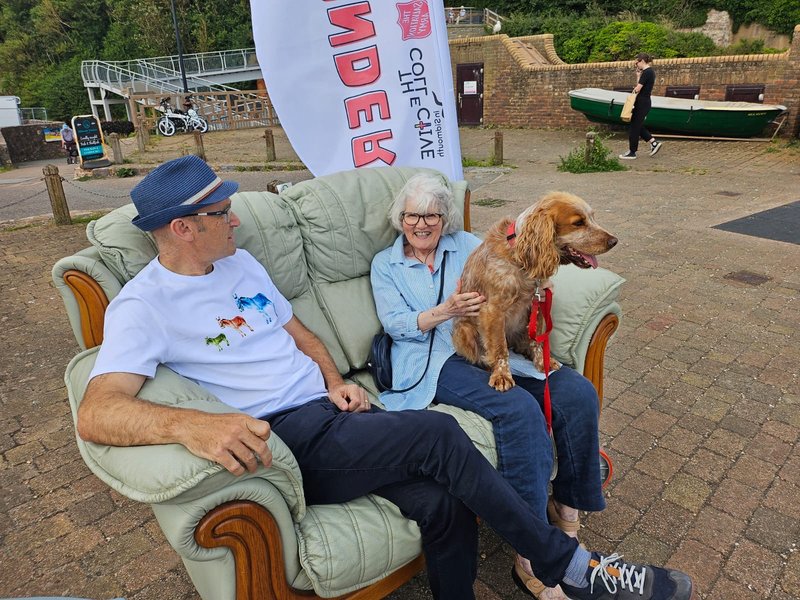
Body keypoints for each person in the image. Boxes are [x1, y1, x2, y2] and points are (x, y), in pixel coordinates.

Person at [78, 155, 695, 600]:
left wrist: (330, 377)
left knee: (444, 500)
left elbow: (302, 334)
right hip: (291, 440)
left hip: (335, 412)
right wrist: (192, 426)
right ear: (183, 227)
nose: (235, 220)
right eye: (222, 212)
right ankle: (573, 567)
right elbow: (97, 410)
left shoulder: (238, 266)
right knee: (437, 436)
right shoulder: (144, 304)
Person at [371, 173, 607, 599]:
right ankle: (532, 551)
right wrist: (442, 312)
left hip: (494, 348)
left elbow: (517, 260)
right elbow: (395, 325)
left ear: (444, 219)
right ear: (399, 219)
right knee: (516, 410)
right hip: (434, 358)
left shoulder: (464, 246)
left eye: (432, 215)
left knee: (576, 392)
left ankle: (568, 511)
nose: (422, 224)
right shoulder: (386, 265)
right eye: (412, 216)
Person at [620, 53, 662, 160]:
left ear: (642, 60)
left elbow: (638, 88)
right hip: (644, 103)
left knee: (634, 128)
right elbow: (642, 85)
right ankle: (653, 143)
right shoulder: (649, 72)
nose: (636, 64)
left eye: (637, 62)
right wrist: (638, 76)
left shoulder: (647, 72)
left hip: (642, 103)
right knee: (637, 125)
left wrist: (632, 94)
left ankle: (632, 152)